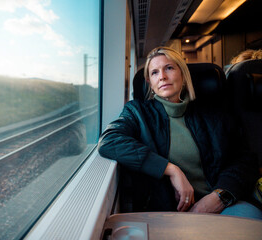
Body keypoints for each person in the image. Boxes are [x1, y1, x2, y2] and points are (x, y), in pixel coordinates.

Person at [98, 46, 262, 219]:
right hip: (168, 211)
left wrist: (220, 196)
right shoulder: (137, 113)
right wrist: (170, 169)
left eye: (169, 68)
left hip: (220, 203)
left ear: (183, 75)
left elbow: (244, 161)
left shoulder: (214, 115)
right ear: (150, 83)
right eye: (154, 72)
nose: (162, 76)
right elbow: (109, 140)